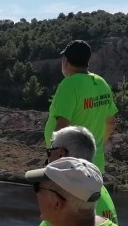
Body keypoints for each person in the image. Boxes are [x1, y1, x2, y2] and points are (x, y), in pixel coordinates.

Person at [45, 40, 118, 172]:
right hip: (95, 164)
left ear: (65, 61)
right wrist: (97, 147)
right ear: (87, 61)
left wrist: (53, 162)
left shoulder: (69, 85)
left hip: (71, 167)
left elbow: (62, 126)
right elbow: (111, 123)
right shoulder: (102, 83)